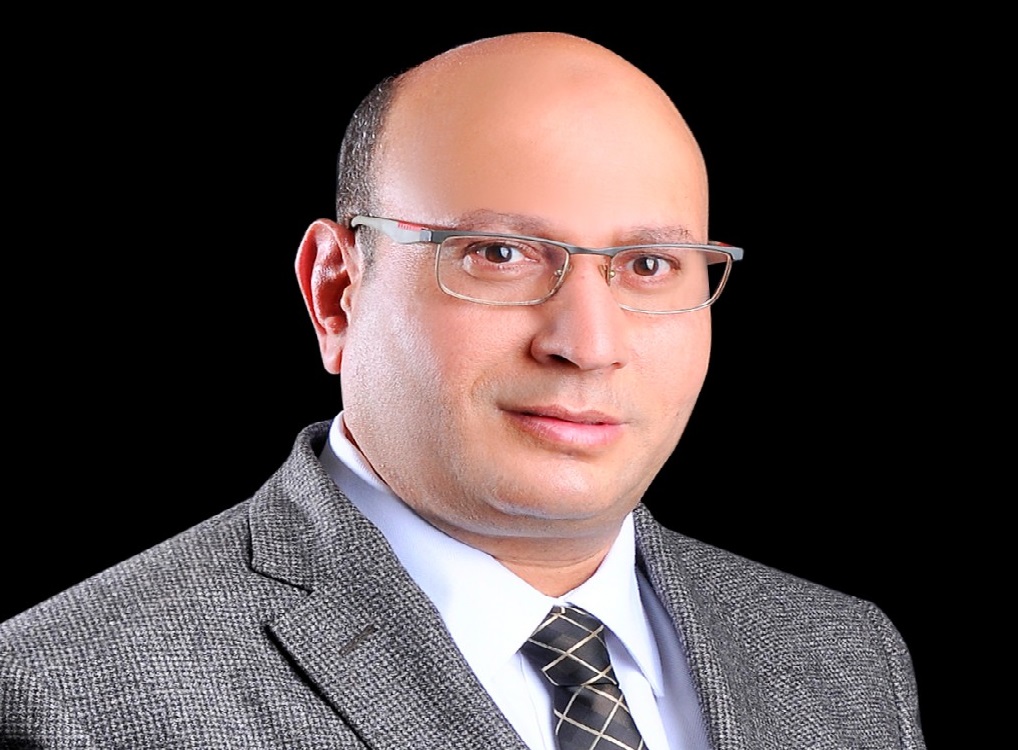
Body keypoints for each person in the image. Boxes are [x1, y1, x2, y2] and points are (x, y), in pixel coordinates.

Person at [0, 31, 925, 749]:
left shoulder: (845, 659)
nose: (586, 345)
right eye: (499, 254)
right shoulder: (63, 693)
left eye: (650, 265)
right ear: (336, 291)